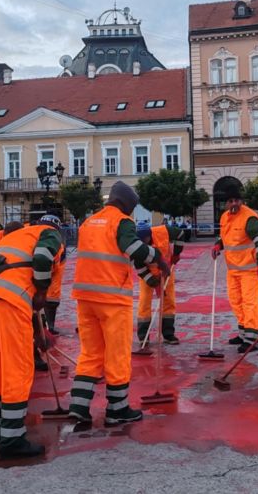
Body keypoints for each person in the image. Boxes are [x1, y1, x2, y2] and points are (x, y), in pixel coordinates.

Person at [69, 181, 168, 425]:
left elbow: (123, 257)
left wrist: (150, 278)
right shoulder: (122, 221)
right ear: (126, 204)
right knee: (117, 354)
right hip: (112, 298)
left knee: (90, 353)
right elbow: (133, 248)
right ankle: (117, 409)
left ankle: (79, 407)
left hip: (85, 297)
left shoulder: (89, 223)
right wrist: (159, 258)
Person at [0, 214, 65, 459]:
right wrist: (43, 290)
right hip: (8, 304)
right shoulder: (49, 233)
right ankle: (12, 441)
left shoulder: (19, 236)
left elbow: (24, 288)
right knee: (18, 369)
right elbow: (43, 258)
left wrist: (39, 333)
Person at [212, 185, 258, 353]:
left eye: (237, 200)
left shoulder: (249, 218)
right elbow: (224, 235)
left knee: (250, 303)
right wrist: (217, 245)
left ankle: (252, 338)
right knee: (236, 302)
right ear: (226, 204)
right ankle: (244, 333)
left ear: (242, 201)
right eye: (230, 201)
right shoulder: (224, 217)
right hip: (233, 269)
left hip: (250, 269)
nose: (234, 203)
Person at [136, 222, 189, 345]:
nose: (143, 242)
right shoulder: (135, 246)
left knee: (169, 300)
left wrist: (176, 253)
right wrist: (154, 283)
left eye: (145, 239)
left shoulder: (163, 232)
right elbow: (140, 269)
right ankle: (144, 336)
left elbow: (181, 234)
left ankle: (168, 334)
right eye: (141, 240)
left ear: (150, 235)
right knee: (144, 302)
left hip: (166, 270)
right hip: (147, 274)